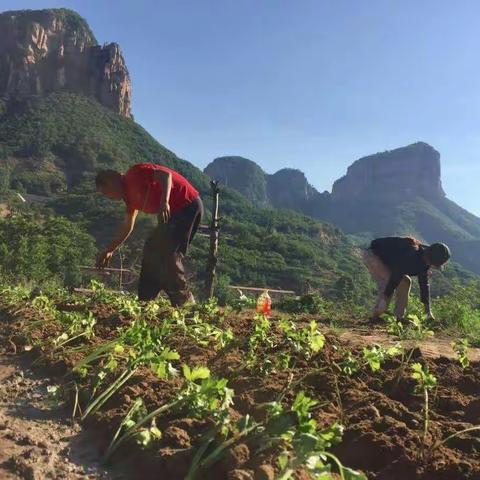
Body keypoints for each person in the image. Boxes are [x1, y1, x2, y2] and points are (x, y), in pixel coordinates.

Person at [95, 163, 203, 306]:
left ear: (111, 180)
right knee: (151, 250)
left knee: (168, 252)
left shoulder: (135, 173)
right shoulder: (129, 198)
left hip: (187, 204)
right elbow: (128, 226)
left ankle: (184, 301)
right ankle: (146, 301)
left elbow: (165, 176)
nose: (108, 197)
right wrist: (110, 250)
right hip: (173, 214)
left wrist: (164, 202)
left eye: (106, 192)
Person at [363, 236, 451, 322]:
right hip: (373, 255)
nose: (431, 266)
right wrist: (385, 299)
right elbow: (394, 280)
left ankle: (399, 317)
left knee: (406, 281)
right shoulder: (410, 256)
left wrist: (428, 312)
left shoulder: (424, 261)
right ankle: (376, 314)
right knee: (387, 282)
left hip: (388, 261)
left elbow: (424, 285)